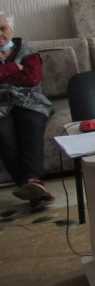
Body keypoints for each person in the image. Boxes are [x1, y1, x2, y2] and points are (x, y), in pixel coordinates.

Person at [0, 12, 54, 207]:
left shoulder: (27, 49)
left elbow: (32, 78)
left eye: (2, 28)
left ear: (11, 28)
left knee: (31, 126)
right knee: (5, 136)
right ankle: (32, 187)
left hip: (30, 101)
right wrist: (15, 67)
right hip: (1, 106)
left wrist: (4, 73)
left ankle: (31, 182)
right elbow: (22, 75)